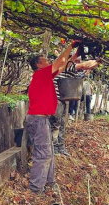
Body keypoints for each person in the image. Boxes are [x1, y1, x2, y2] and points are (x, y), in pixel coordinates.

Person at [25, 41, 80, 193]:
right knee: (43, 154)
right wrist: (71, 45)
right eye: (45, 60)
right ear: (39, 65)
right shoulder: (41, 74)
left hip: (41, 120)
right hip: (38, 120)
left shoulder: (44, 76)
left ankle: (49, 182)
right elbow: (60, 61)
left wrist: (75, 56)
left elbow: (63, 66)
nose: (48, 61)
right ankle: (36, 189)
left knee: (48, 152)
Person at [50, 53, 100, 156]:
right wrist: (95, 62)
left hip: (62, 101)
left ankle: (60, 147)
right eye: (77, 61)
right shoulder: (68, 67)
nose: (78, 63)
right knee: (55, 124)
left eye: (78, 61)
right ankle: (53, 148)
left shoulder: (72, 71)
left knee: (62, 124)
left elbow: (81, 75)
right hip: (55, 100)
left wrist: (94, 65)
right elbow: (83, 65)